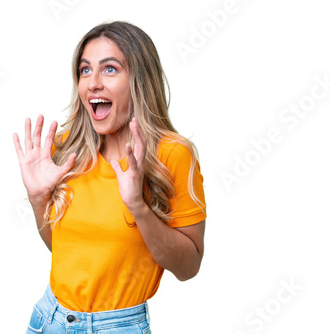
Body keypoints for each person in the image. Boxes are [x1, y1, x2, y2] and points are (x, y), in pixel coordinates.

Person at [13, 20, 207, 334]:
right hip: (49, 319)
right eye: (85, 70)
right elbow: (66, 250)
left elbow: (188, 268)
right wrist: (38, 200)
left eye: (110, 69)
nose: (93, 83)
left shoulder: (172, 154)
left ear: (139, 81)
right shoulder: (66, 149)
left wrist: (138, 207)